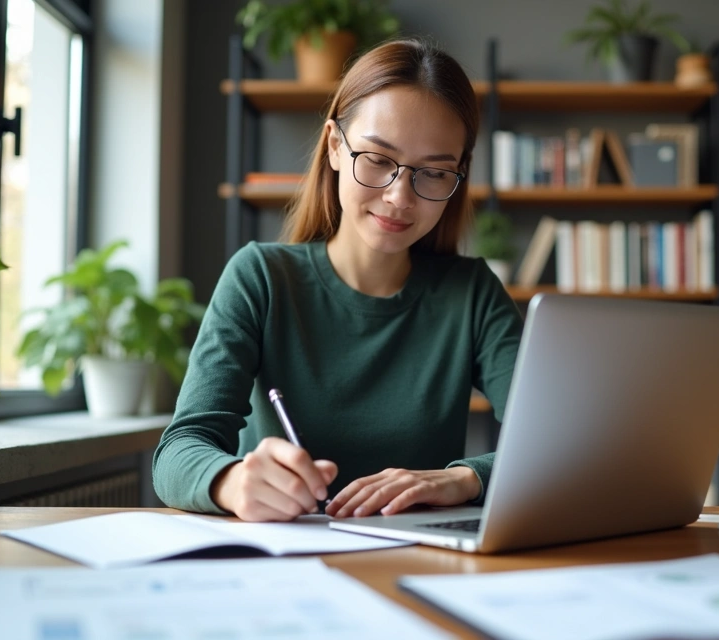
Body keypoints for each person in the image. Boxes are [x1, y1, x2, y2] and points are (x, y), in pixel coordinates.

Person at [152, 39, 522, 522]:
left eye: (433, 173)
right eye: (377, 159)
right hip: (284, 559)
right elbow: (178, 451)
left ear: (458, 178)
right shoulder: (260, 277)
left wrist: (463, 478)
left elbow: (558, 442)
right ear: (333, 146)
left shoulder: (472, 293)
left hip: (418, 558)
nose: (399, 197)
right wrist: (231, 480)